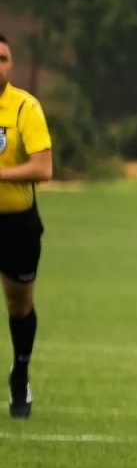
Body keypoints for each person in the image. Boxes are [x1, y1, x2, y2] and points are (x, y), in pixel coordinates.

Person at [0, 33, 52, 419]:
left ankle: (20, 371)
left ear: (11, 65)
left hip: (17, 224)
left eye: (2, 58)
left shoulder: (24, 108)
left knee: (20, 304)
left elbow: (43, 168)